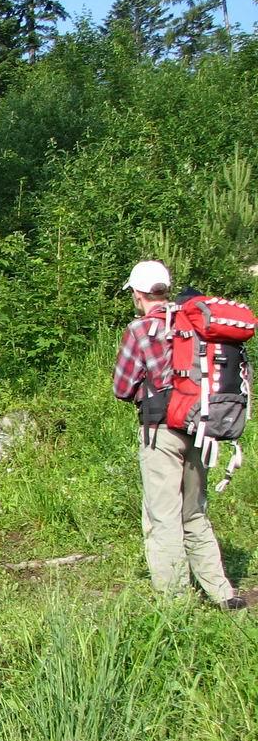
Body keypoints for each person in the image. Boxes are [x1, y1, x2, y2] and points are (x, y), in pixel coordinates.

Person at [113, 260, 244, 610]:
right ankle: (222, 593)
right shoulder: (197, 323)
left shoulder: (140, 329)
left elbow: (122, 388)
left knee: (163, 518)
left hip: (160, 433)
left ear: (138, 294)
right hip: (201, 428)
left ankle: (175, 604)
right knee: (195, 513)